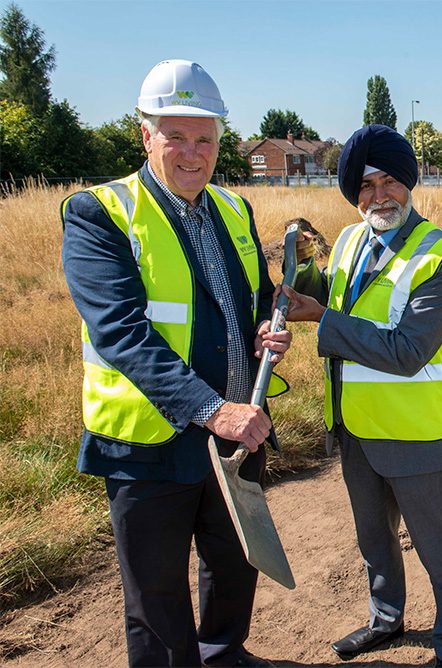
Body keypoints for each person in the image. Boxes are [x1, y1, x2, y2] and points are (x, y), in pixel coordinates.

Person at [61, 60, 290, 667]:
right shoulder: (100, 214)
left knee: (235, 564)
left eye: (205, 138)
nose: (193, 152)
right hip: (149, 444)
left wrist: (267, 320)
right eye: (176, 136)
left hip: (235, 436)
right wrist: (214, 411)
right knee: (157, 594)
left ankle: (222, 653)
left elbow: (249, 296)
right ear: (145, 135)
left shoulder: (233, 209)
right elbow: (121, 331)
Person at [280, 125, 442, 667]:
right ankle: (386, 619)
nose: (378, 195)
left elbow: (409, 351)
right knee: (374, 540)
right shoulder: (347, 240)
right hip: (353, 425)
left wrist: (321, 317)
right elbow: (335, 297)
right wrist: (304, 278)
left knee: (438, 547)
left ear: (409, 185)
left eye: (389, 182)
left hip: (412, 429)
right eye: (365, 186)